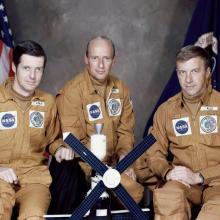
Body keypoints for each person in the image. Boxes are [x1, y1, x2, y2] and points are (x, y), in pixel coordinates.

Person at [49, 36, 144, 213]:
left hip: (114, 165)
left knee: (134, 194)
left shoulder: (120, 89)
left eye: (106, 58)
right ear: (86, 59)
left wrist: (124, 158)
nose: (101, 65)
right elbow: (73, 143)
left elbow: (125, 131)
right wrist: (104, 170)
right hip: (82, 168)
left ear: (113, 61)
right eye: (95, 58)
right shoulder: (71, 93)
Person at [136, 45, 220, 220]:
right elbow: (154, 154)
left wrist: (200, 176)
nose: (188, 79)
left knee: (215, 211)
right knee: (168, 197)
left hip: (216, 182)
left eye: (194, 71)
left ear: (208, 72)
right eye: (182, 72)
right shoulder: (166, 111)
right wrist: (167, 172)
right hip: (183, 180)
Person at [0, 40, 73, 220]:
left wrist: (59, 149)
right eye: (26, 68)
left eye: (38, 69)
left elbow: (53, 139)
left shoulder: (48, 103)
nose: (33, 76)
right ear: (15, 67)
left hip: (34, 180)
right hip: (1, 177)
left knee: (33, 216)